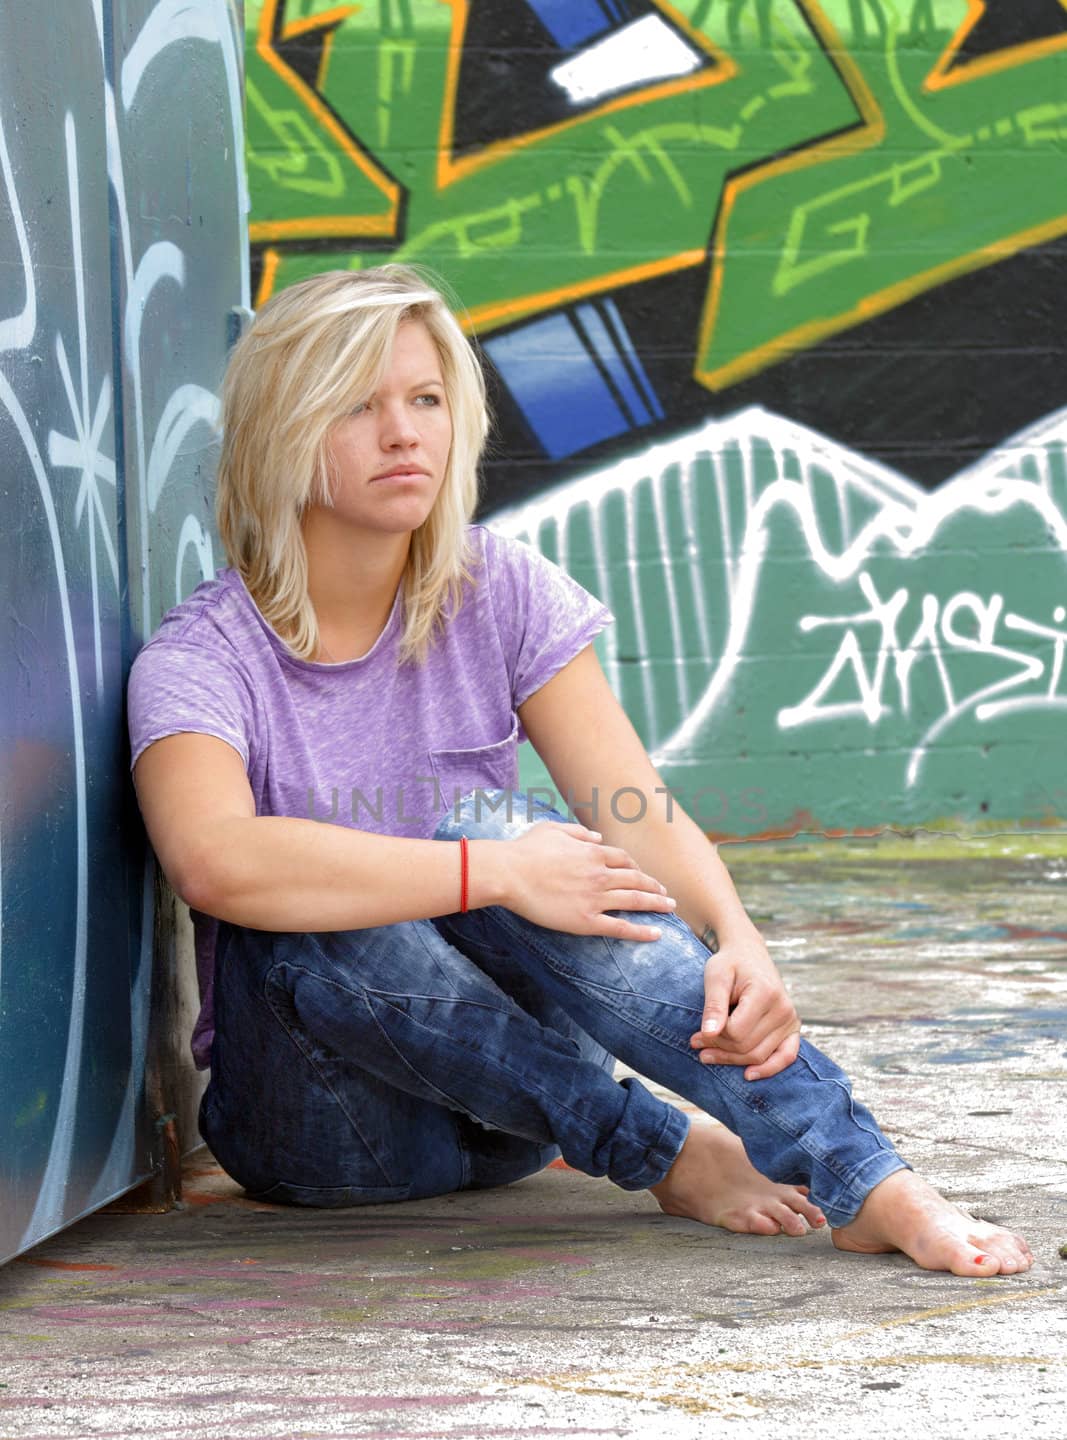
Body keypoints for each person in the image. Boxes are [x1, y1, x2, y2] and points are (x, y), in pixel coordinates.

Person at [127, 264, 1032, 1278]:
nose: (403, 432)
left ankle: (863, 1177)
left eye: (425, 399)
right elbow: (214, 860)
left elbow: (630, 805)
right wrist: (499, 874)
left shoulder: (495, 588)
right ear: (279, 434)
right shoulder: (203, 659)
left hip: (510, 1126)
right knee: (416, 866)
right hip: (326, 1137)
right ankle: (665, 1147)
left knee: (506, 828)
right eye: (356, 405)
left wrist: (736, 938)